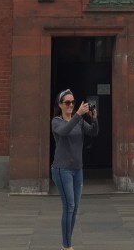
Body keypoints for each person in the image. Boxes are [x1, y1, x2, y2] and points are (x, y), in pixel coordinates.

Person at [51, 89, 98, 250]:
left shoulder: (78, 121)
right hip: (62, 169)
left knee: (75, 208)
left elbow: (93, 132)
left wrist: (94, 119)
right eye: (67, 102)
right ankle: (66, 246)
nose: (71, 105)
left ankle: (67, 242)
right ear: (60, 105)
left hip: (77, 170)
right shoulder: (56, 121)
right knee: (69, 206)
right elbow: (63, 132)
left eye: (73, 102)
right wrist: (78, 114)